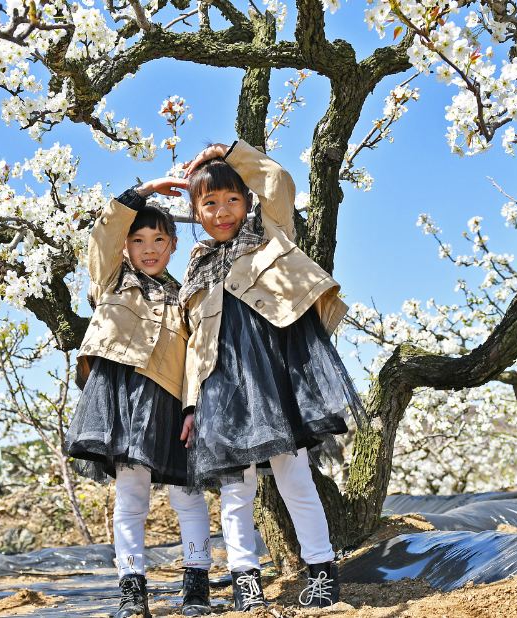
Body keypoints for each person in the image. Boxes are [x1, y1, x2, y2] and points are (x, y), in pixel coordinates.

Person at [178, 141, 366, 610]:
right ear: (196, 212)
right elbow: (192, 347)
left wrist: (232, 151)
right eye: (210, 204)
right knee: (236, 489)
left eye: (232, 200)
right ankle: (245, 577)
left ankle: (322, 570)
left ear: (246, 202)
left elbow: (278, 183)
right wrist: (189, 404)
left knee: (295, 477)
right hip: (221, 388)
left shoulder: (269, 232)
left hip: (276, 380)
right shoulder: (195, 268)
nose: (222, 212)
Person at [64, 179, 213, 618]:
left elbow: (195, 357)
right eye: (139, 240)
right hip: (122, 397)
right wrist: (144, 190)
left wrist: (192, 407)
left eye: (159, 241)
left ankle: (197, 586)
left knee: (188, 496)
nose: (149, 249)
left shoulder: (183, 298)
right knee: (131, 496)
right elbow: (103, 234)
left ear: (172, 246)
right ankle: (132, 589)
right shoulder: (111, 279)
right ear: (127, 246)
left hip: (170, 400)